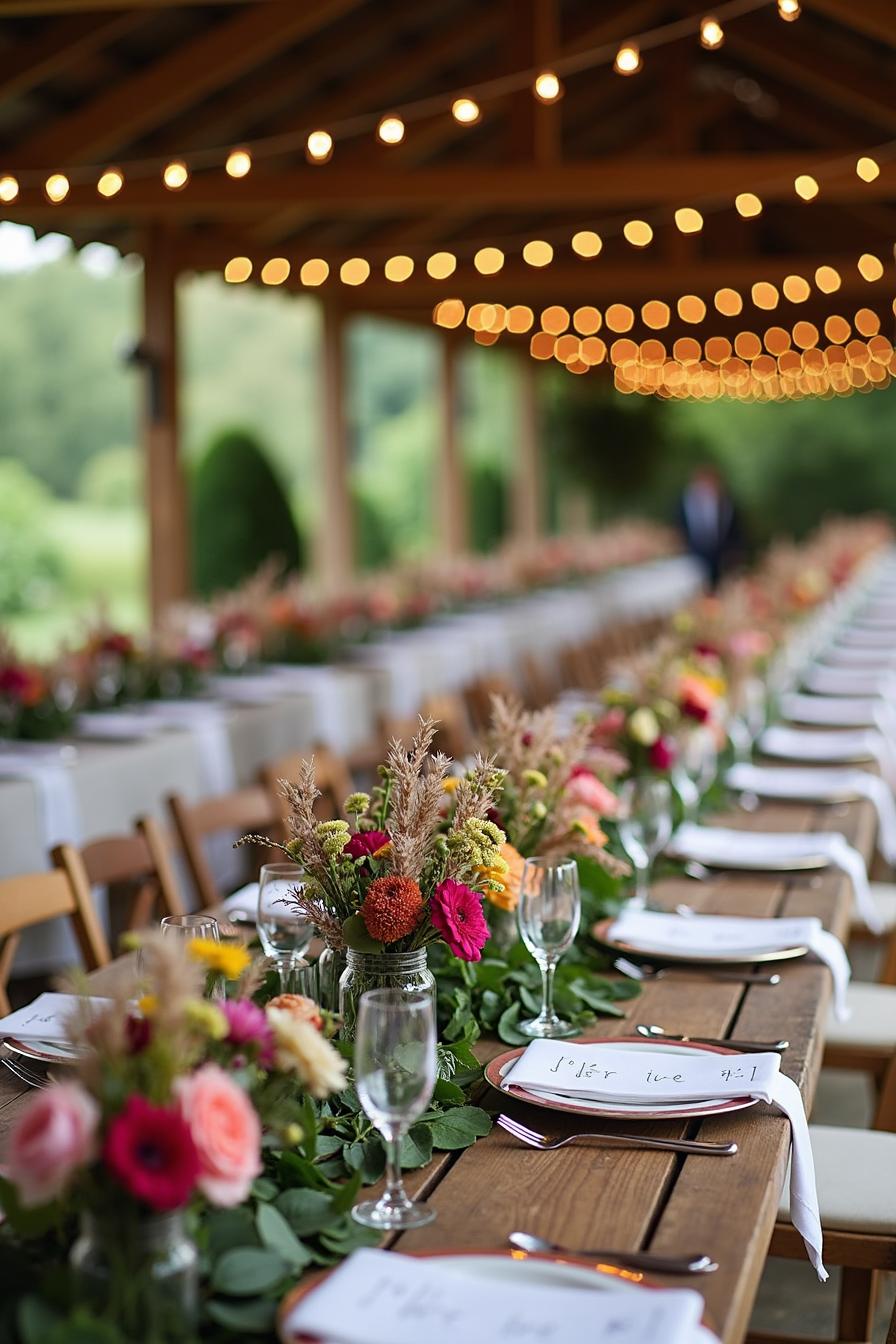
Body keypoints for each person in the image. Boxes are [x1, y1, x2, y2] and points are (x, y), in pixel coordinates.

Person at [678, 464, 741, 589]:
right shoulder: (684, 505)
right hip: (693, 557)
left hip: (721, 559)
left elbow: (735, 533)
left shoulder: (726, 505)